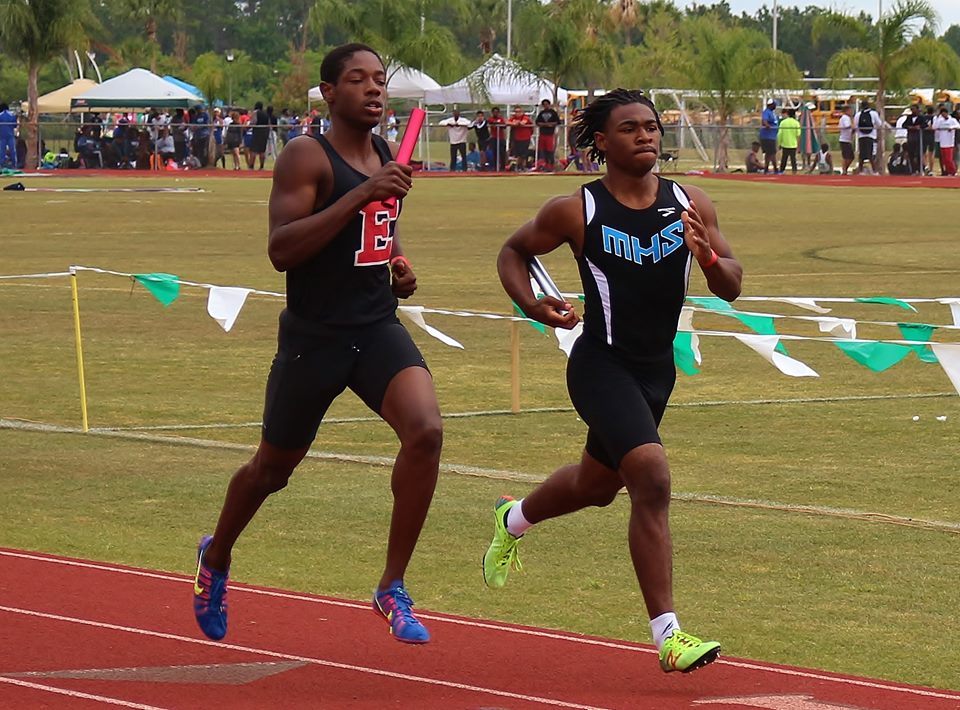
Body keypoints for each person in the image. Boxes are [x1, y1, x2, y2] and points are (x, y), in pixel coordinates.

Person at [192, 43, 442, 646]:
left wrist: (398, 260)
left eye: (380, 80)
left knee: (426, 431)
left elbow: (383, 218)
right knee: (272, 470)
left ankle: (391, 586)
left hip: (376, 326)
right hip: (315, 338)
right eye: (357, 80)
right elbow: (282, 250)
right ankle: (216, 555)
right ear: (329, 93)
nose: (374, 90)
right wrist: (362, 193)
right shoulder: (308, 155)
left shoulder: (383, 150)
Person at [484, 88, 742, 674]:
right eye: (630, 128)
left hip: (657, 373)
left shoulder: (690, 201)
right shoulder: (576, 210)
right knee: (650, 477)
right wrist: (533, 305)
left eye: (652, 126)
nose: (646, 136)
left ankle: (513, 518)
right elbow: (513, 252)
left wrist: (706, 258)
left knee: (599, 486)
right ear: (602, 143)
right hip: (600, 365)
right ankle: (668, 636)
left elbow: (732, 284)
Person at [853, 100, 882, 174]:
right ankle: (875, 171)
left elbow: (855, 126)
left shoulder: (858, 114)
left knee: (862, 155)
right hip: (871, 136)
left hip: (861, 136)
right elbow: (879, 124)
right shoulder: (873, 113)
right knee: (870, 154)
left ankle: (861, 171)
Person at [535, 98, 561, 171]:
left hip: (550, 134)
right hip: (542, 133)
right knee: (543, 150)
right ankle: (546, 164)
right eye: (544, 105)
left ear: (549, 105)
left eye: (547, 104)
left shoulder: (553, 113)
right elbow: (537, 122)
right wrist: (544, 124)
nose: (545, 106)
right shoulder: (541, 113)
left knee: (550, 150)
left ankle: (551, 165)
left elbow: (557, 122)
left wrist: (550, 124)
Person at [933, 106, 959, 176]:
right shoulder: (940, 120)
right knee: (944, 159)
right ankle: (948, 171)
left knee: (949, 159)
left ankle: (953, 171)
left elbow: (958, 126)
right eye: (942, 114)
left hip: (949, 142)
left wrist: (952, 128)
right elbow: (934, 126)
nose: (943, 115)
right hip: (942, 142)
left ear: (947, 113)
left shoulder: (952, 120)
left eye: (944, 114)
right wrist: (938, 117)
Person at [777, 107, 801, 174]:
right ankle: (794, 171)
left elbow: (779, 134)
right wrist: (798, 145)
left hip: (785, 144)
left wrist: (779, 143)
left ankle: (781, 171)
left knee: (784, 159)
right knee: (793, 160)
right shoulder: (796, 123)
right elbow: (798, 135)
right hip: (793, 144)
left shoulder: (783, 122)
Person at [759, 98, 779, 173]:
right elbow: (764, 121)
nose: (775, 106)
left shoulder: (772, 113)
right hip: (767, 137)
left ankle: (766, 169)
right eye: (774, 104)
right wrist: (768, 126)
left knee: (769, 153)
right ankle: (775, 169)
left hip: (772, 136)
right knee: (772, 153)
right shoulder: (766, 112)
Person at [488, 106, 507, 171]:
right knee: (495, 152)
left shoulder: (501, 119)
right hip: (494, 138)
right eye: (494, 112)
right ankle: (495, 166)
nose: (495, 113)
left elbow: (504, 126)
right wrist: (497, 123)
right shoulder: (490, 118)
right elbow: (491, 122)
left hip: (501, 138)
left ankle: (503, 167)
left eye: (497, 112)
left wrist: (498, 124)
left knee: (502, 153)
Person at [0, 102, 19, 169]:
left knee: (2, 151)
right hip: (10, 135)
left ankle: (1, 165)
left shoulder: (0, 115)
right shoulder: (12, 115)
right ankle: (14, 165)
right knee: (12, 150)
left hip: (2, 136)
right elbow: (15, 125)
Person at [837, 104, 854, 175]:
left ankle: (845, 169)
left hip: (847, 139)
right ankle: (844, 170)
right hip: (844, 139)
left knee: (850, 156)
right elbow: (847, 126)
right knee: (846, 156)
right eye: (850, 110)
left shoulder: (847, 118)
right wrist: (853, 126)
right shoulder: (845, 118)